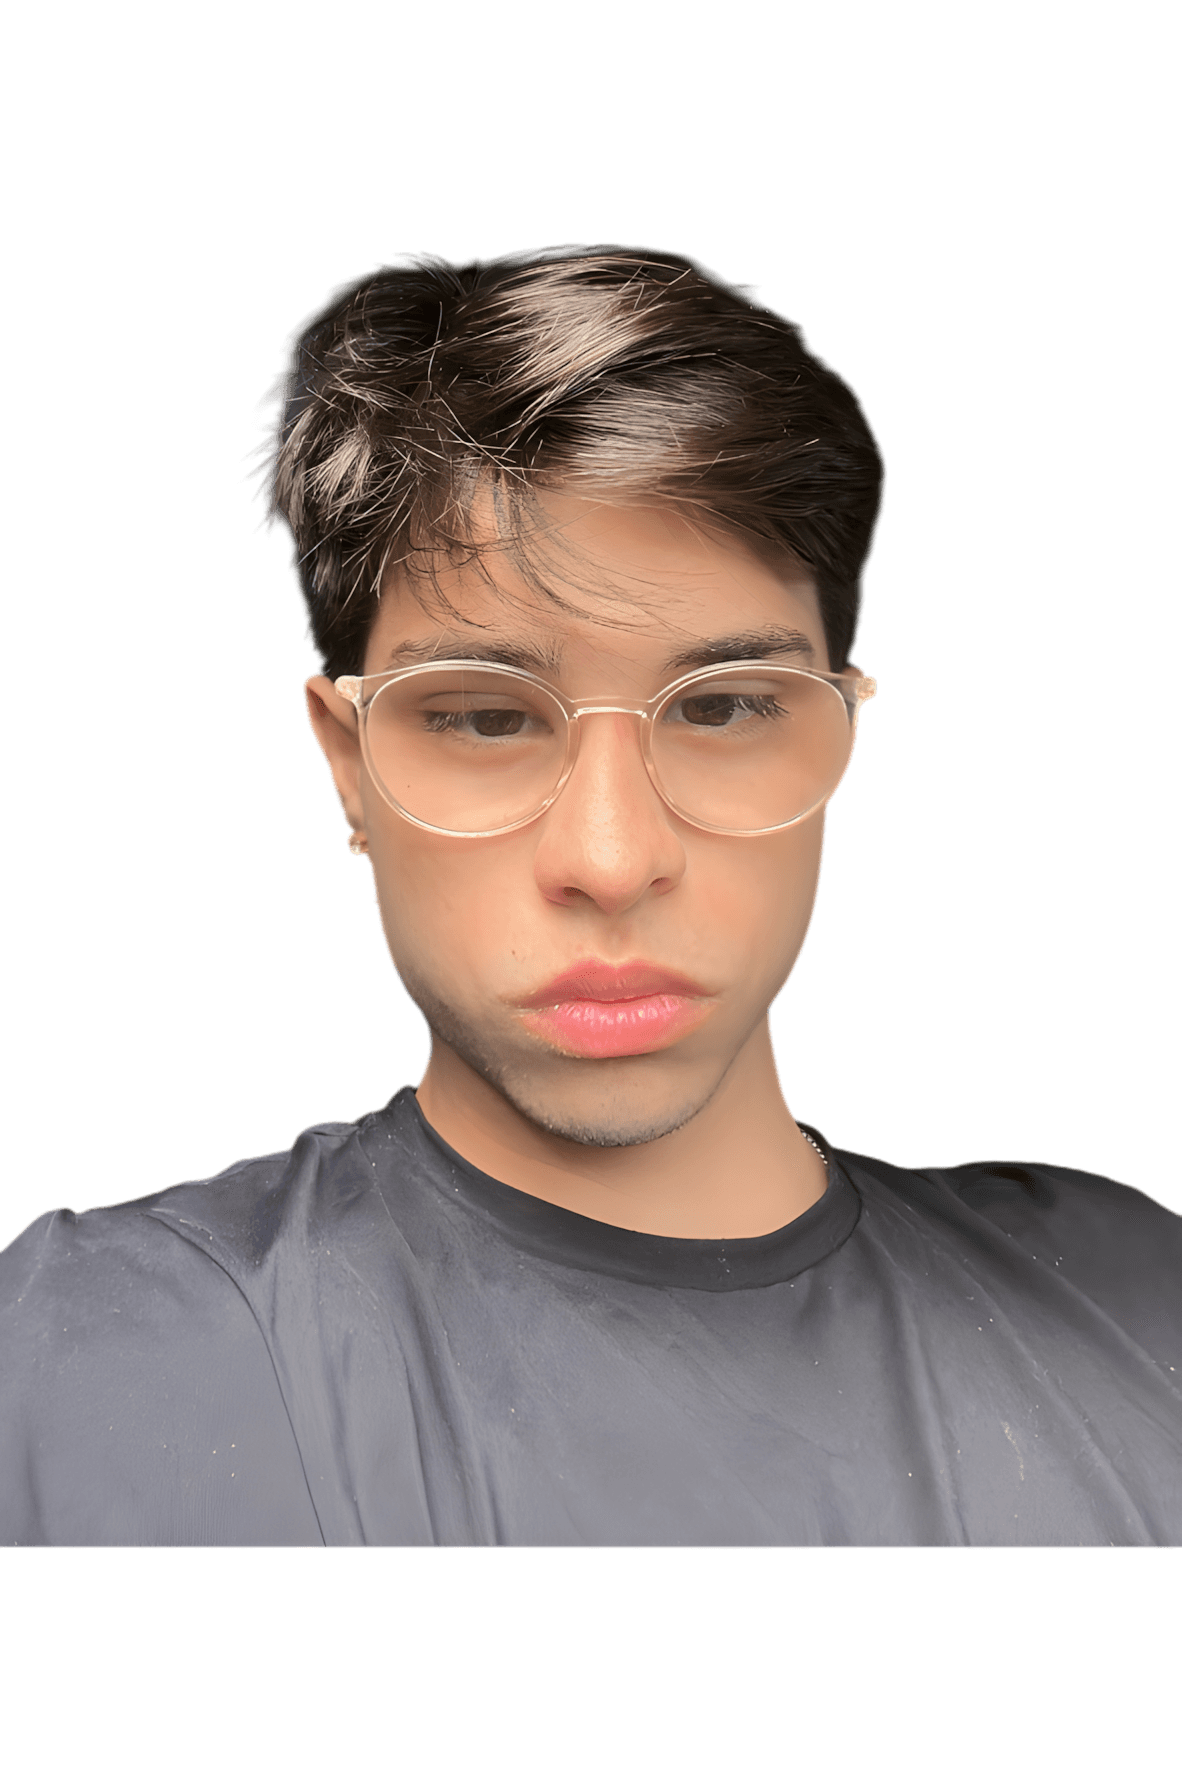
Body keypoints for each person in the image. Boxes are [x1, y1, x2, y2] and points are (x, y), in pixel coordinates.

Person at [2, 242, 1179, 1549]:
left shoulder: (1138, 1305)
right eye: (484, 717)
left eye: (724, 708)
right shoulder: (90, 1355)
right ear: (348, 764)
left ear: (840, 728)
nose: (612, 860)